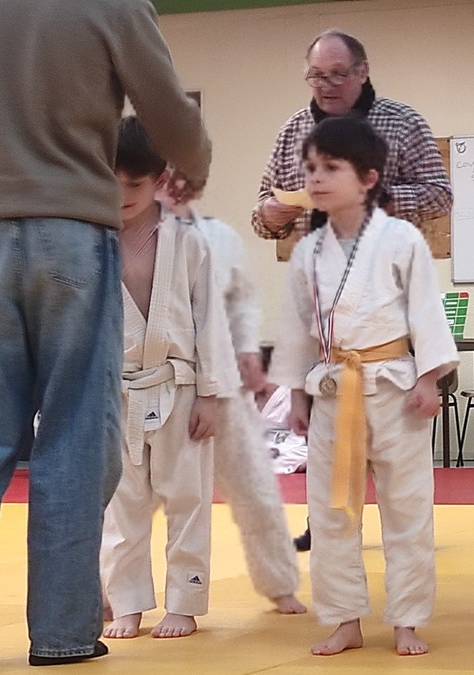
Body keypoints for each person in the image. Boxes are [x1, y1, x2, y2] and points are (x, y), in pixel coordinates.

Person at [0, 0, 210, 666]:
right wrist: (196, 162)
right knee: (76, 434)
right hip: (71, 230)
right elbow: (164, 106)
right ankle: (63, 632)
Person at [273, 116, 458, 657]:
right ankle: (343, 618)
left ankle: (408, 620)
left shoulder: (401, 239)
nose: (316, 178)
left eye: (331, 168)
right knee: (332, 511)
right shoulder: (307, 251)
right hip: (334, 388)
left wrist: (429, 378)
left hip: (396, 388)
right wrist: (297, 395)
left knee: (407, 508)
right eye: (310, 168)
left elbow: (426, 312)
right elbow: (297, 327)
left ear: (369, 178)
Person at [100, 116, 237, 641]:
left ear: (160, 180)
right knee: (122, 503)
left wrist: (211, 395)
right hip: (116, 390)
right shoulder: (91, 238)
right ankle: (127, 602)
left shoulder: (189, 240)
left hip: (178, 385)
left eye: (133, 185)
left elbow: (211, 319)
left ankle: (185, 601)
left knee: (188, 498)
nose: (121, 196)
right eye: (110, 182)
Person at [161, 197, 308, 616]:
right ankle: (111, 591)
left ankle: (279, 582)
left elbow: (239, 307)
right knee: (125, 499)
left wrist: (246, 358)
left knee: (254, 487)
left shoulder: (214, 238)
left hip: (221, 382)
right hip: (152, 385)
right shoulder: (115, 239)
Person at [251, 29, 452, 244]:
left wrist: (378, 199)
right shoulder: (292, 130)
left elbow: (441, 197)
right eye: (317, 75)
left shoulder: (404, 123)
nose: (326, 85)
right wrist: (269, 215)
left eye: (338, 74)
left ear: (363, 72)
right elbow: (261, 218)